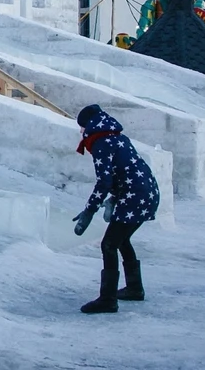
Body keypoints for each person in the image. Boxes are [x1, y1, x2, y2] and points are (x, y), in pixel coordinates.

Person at [72, 104, 160, 314]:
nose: (81, 132)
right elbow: (125, 171)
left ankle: (108, 299)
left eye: (82, 127)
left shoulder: (101, 142)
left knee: (109, 244)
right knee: (121, 240)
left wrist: (89, 210)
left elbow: (104, 181)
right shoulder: (117, 137)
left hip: (134, 197)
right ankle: (134, 288)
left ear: (89, 125)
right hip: (147, 193)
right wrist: (114, 198)